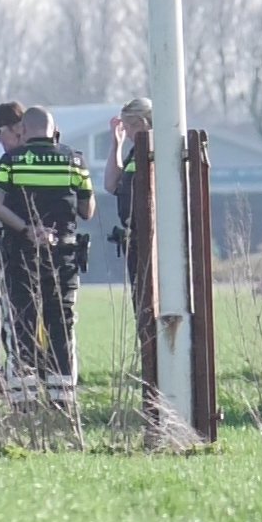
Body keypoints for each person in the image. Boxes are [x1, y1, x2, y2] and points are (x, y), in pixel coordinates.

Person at [0, 106, 96, 407]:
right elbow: (87, 210)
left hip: (21, 255)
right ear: (53, 129)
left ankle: (25, 401)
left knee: (22, 323)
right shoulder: (75, 161)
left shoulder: (11, 161)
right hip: (64, 258)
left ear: (24, 129)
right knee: (61, 324)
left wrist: (26, 228)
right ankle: (63, 401)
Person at [105, 97, 155, 347]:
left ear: (144, 123)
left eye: (130, 126)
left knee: (151, 304)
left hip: (151, 240)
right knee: (141, 304)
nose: (128, 132)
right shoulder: (136, 151)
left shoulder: (157, 149)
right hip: (134, 239)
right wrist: (116, 144)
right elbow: (111, 185)